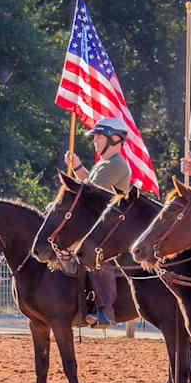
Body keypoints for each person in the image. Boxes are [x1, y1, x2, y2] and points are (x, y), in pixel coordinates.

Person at [64, 116, 132, 327]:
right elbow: (90, 184)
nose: (94, 140)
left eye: (98, 137)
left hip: (115, 228)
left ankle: (105, 310)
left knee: (96, 254)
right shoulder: (105, 164)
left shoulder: (116, 164)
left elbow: (89, 192)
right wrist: (78, 167)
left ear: (114, 138)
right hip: (103, 224)